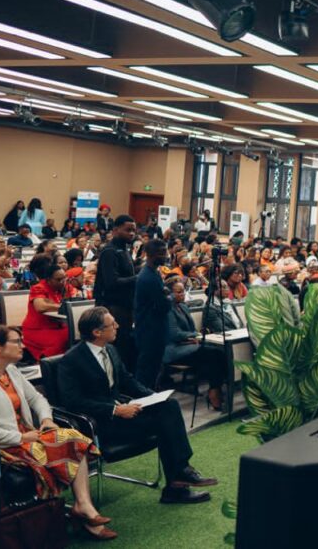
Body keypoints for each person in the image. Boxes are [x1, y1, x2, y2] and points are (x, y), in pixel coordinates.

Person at [58, 307, 218, 504]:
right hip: (100, 424)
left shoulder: (110, 350)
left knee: (168, 406)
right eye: (112, 324)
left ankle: (180, 474)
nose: (117, 326)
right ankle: (177, 484)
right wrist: (115, 410)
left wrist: (155, 396)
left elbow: (128, 381)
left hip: (123, 414)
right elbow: (72, 401)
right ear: (97, 332)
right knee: (165, 424)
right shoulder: (71, 360)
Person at [0, 325, 115, 539]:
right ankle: (86, 519)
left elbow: (37, 399)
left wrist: (46, 418)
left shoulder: (11, 371)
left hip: (28, 435)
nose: (23, 346)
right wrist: (19, 437)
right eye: (17, 341)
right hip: (2, 446)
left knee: (73, 439)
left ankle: (83, 505)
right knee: (55, 448)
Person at [165, 282, 225, 410]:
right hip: (175, 350)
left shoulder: (183, 307)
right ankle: (214, 392)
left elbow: (189, 331)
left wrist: (193, 338)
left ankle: (216, 388)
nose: (182, 294)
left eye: (183, 291)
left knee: (219, 352)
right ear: (169, 293)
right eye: (178, 291)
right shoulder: (167, 309)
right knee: (212, 354)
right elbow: (174, 334)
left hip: (190, 344)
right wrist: (194, 335)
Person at [94, 215, 140, 371]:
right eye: (128, 230)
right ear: (115, 230)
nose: (132, 234)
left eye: (134, 230)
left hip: (125, 306)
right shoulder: (110, 251)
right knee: (118, 349)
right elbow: (111, 282)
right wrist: (137, 278)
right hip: (112, 308)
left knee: (127, 346)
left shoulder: (124, 250)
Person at [134, 240, 172, 389]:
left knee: (152, 369)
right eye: (161, 252)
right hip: (150, 329)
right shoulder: (148, 277)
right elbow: (163, 305)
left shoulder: (153, 272)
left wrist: (167, 296)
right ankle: (143, 403)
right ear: (151, 254)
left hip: (153, 328)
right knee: (147, 371)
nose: (165, 255)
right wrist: (170, 297)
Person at [21, 260, 70, 361]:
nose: (63, 282)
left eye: (64, 278)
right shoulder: (38, 288)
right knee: (61, 340)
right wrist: (63, 306)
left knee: (78, 333)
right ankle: (47, 365)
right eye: (59, 279)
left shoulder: (60, 288)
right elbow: (40, 307)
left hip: (55, 326)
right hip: (37, 329)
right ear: (48, 280)